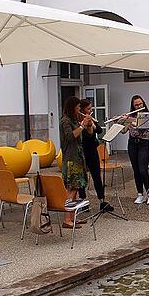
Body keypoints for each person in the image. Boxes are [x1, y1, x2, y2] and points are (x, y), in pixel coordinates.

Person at [77, 99, 113, 212]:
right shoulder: (78, 121)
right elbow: (86, 136)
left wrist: (91, 123)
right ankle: (82, 201)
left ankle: (102, 201)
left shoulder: (90, 119)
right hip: (83, 150)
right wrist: (85, 124)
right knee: (82, 177)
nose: (90, 111)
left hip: (92, 150)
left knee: (96, 175)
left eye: (91, 109)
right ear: (82, 109)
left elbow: (98, 130)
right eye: (88, 109)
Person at [119, 95, 149, 205]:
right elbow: (123, 131)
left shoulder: (147, 116)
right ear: (133, 106)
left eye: (140, 104)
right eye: (136, 105)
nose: (139, 106)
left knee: (143, 170)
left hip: (143, 144)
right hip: (132, 144)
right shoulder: (130, 116)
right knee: (136, 170)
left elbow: (144, 128)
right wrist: (121, 120)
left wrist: (131, 120)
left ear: (143, 103)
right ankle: (140, 194)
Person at [59, 96, 89, 228]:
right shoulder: (65, 121)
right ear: (72, 107)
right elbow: (71, 136)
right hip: (70, 159)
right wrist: (82, 125)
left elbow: (85, 134)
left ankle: (73, 217)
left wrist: (88, 124)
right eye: (77, 107)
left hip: (78, 157)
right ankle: (66, 219)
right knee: (71, 189)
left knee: (76, 188)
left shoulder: (74, 120)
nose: (79, 109)